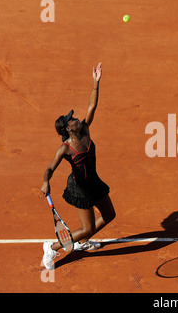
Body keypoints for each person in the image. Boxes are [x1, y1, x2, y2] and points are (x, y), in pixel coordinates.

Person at [40, 63, 116, 269]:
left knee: (109, 215)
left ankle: (83, 242)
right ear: (67, 129)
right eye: (71, 120)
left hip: (94, 183)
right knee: (86, 228)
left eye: (74, 118)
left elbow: (92, 106)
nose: (75, 119)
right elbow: (49, 168)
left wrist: (96, 82)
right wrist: (46, 181)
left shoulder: (85, 130)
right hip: (80, 189)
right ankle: (53, 247)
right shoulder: (65, 149)